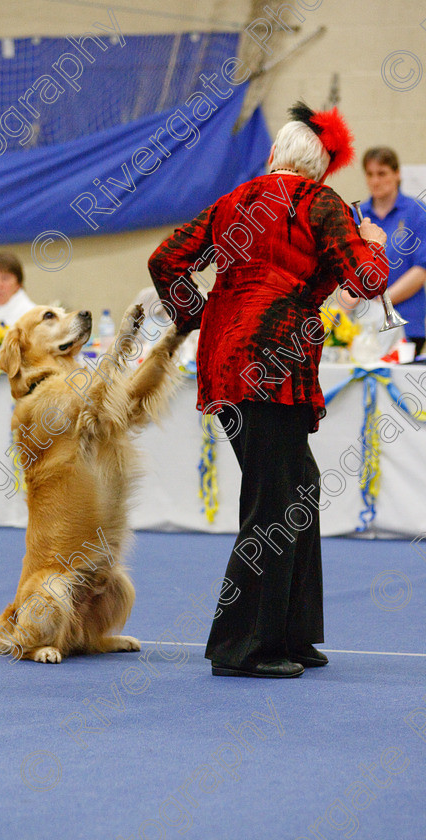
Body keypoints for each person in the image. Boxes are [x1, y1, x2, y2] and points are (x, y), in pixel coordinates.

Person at [148, 102, 389, 679]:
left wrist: (200, 316)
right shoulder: (320, 203)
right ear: (320, 167)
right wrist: (372, 240)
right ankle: (244, 647)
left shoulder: (236, 200)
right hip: (273, 367)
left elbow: (166, 261)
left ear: (276, 156)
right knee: (274, 503)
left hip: (227, 366)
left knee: (296, 487)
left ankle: (291, 634)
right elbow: (368, 280)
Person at [353, 148, 426, 354]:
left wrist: (381, 303)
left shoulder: (417, 212)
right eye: (370, 174)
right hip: (363, 325)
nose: (375, 181)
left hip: (408, 323)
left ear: (397, 174)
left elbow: (421, 270)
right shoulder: (357, 215)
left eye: (382, 173)